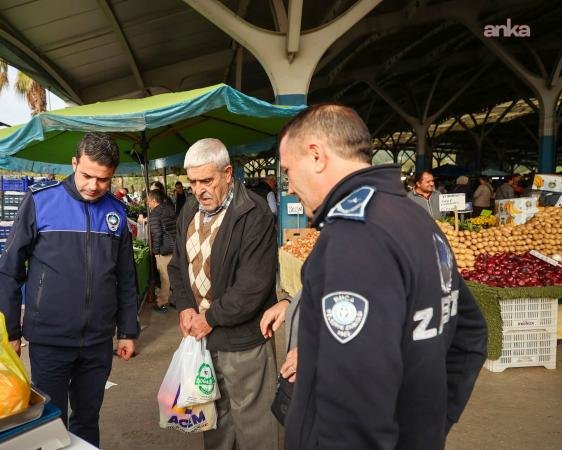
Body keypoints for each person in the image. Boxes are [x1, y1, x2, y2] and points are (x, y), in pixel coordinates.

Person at [268, 103, 487, 449]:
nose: (289, 186)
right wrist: (428, 427)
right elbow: (470, 335)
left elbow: (355, 396)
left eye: (287, 170)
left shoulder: (354, 237)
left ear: (315, 156)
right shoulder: (418, 221)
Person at [0, 132, 140, 446]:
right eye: (87, 175)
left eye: (103, 180)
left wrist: (128, 330)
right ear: (74, 163)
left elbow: (127, 279)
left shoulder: (116, 213)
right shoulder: (39, 201)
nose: (93, 186)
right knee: (50, 423)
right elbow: (9, 270)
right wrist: (11, 331)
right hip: (50, 341)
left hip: (98, 342)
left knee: (87, 420)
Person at [168, 138, 279, 450]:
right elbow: (178, 266)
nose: (199, 190)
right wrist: (186, 309)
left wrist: (210, 318)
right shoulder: (190, 208)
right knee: (214, 423)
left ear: (228, 173)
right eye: (192, 182)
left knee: (255, 429)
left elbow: (252, 288)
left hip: (243, 343)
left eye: (207, 180)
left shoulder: (254, 214)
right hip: (203, 341)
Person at [146, 189, 176, 313]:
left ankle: (162, 302)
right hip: (175, 247)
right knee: (175, 275)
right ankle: (176, 300)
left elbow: (157, 234)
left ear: (153, 200)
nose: (147, 203)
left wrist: (156, 251)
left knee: (165, 276)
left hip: (164, 249)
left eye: (148, 200)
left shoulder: (154, 214)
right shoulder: (170, 208)